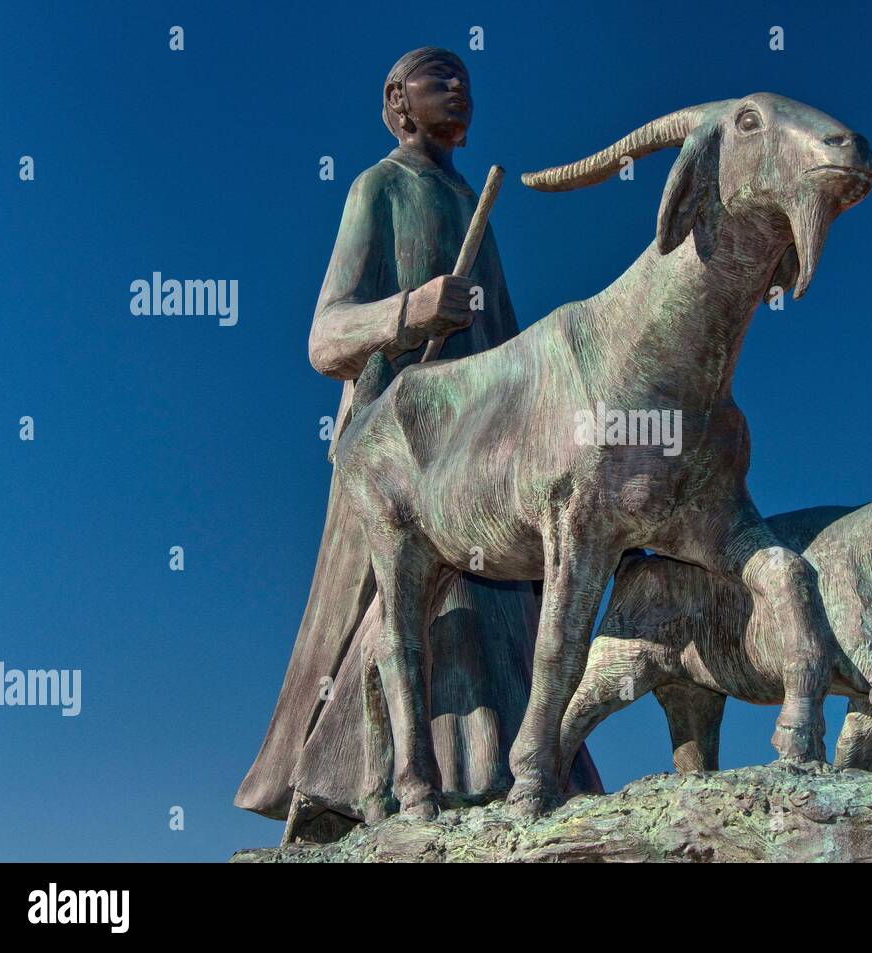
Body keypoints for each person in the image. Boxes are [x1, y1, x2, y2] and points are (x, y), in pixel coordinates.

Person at [235, 47, 600, 839]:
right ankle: (378, 793)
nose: (462, 89)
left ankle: (515, 787)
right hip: (398, 459)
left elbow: (508, 357)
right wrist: (412, 310)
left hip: (480, 459)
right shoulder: (380, 188)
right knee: (426, 620)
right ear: (399, 100)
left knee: (506, 610)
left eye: (469, 77)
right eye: (442, 79)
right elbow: (325, 336)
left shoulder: (475, 207)